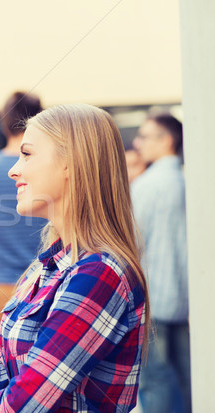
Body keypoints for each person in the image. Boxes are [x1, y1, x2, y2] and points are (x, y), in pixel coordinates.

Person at [0, 103, 150, 412]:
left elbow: (20, 407)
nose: (14, 169)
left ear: (71, 162)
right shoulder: (47, 267)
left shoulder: (98, 275)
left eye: (26, 154)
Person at [0, 91, 46, 338]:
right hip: (48, 282)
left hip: (3, 285)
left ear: (3, 123)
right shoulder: (46, 169)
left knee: (1, 368)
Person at [132, 113, 191, 413]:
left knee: (154, 380)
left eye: (144, 136)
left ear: (166, 141)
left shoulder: (146, 186)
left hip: (152, 299)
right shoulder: (189, 181)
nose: (137, 143)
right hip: (185, 300)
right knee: (187, 378)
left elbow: (132, 244)